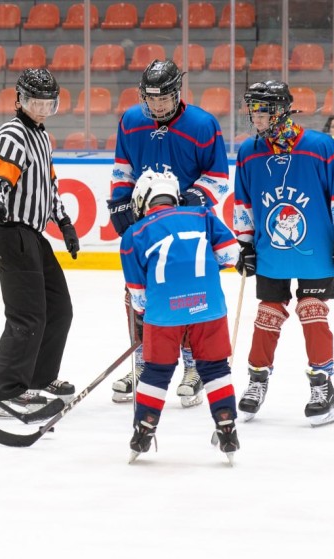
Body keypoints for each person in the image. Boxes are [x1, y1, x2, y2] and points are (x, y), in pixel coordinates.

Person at [234, 80, 334, 427]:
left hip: (316, 248)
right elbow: (243, 201)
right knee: (268, 313)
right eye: (253, 111)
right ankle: (257, 380)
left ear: (280, 111)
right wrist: (245, 242)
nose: (256, 118)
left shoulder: (320, 146)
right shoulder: (249, 152)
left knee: (312, 310)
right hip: (270, 249)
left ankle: (322, 385)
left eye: (262, 111)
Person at [107, 59, 230, 408]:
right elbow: (123, 169)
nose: (157, 105)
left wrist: (189, 202)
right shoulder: (131, 121)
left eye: (163, 98)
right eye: (151, 98)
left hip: (189, 227)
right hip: (148, 226)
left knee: (188, 295)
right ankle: (144, 362)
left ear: (177, 93)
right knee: (138, 295)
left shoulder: (202, 125)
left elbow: (218, 178)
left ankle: (192, 368)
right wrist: (120, 202)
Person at [0, 67, 80, 418]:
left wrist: (64, 222)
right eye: (35, 102)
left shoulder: (42, 137)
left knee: (59, 309)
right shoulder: (13, 134)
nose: (41, 109)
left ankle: (39, 379)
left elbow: (48, 187)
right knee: (27, 315)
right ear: (20, 100)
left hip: (34, 233)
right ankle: (8, 392)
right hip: (11, 231)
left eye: (47, 103)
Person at [120, 169, 241, 463]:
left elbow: (138, 296)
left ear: (142, 200)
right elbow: (231, 255)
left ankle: (144, 430)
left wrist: (148, 313)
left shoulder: (133, 234)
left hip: (163, 313)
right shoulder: (203, 215)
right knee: (214, 368)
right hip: (208, 306)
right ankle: (227, 426)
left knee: (157, 371)